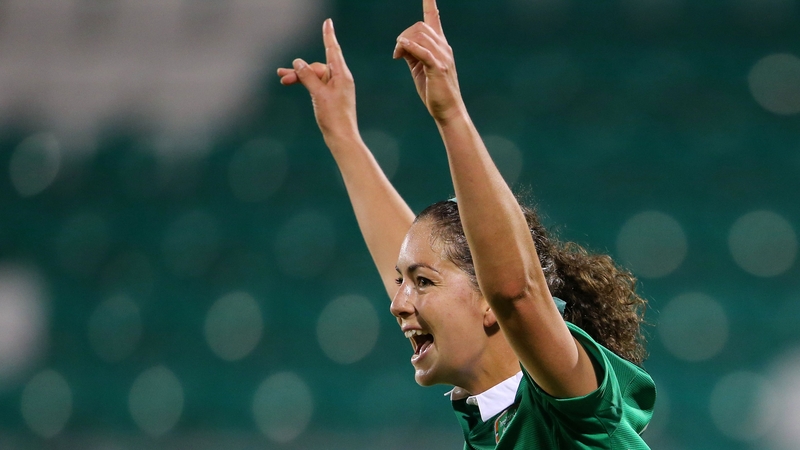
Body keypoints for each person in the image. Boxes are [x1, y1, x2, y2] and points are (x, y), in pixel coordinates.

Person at [277, 2, 656, 448]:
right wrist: (343, 135)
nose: (397, 303)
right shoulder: (489, 424)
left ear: (488, 302)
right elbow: (422, 254)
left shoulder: (572, 409)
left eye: (422, 282)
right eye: (403, 282)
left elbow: (517, 292)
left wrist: (450, 112)